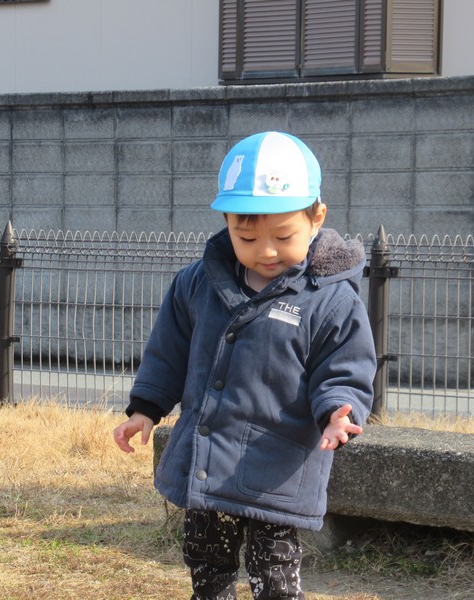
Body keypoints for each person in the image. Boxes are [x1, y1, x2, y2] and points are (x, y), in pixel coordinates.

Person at [113, 131, 377, 600]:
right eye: (247, 237)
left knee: (274, 570)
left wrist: (340, 411)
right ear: (227, 223)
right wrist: (146, 408)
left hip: (275, 467)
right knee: (205, 557)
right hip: (207, 457)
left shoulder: (330, 299)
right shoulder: (198, 283)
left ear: (316, 218)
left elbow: (345, 367)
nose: (266, 251)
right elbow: (168, 352)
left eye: (283, 236)